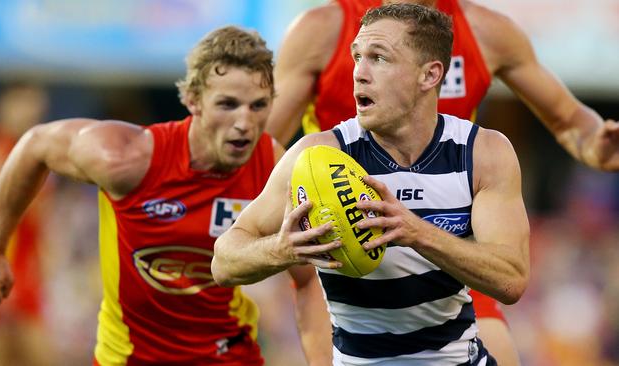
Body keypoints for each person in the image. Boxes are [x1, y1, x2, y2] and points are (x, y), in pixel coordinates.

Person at [266, 0, 619, 363]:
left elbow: (572, 124)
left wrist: (597, 145)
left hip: (447, 250)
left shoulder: (488, 32)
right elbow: (262, 145)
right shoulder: (323, 29)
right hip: (345, 263)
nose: (362, 70)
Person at [0, 26, 331, 365]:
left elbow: (308, 278)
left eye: (258, 106)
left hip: (228, 355)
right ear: (192, 99)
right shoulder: (127, 159)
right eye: (227, 104)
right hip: (128, 358)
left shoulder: (271, 165)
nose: (244, 123)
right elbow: (36, 144)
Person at [213, 4, 529, 365]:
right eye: (356, 57)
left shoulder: (482, 153)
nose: (359, 74)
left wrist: (414, 231)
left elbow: (512, 280)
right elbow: (224, 261)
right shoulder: (319, 156)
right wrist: (284, 249)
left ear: (429, 75)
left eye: (379, 58)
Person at [0, 82, 55, 366]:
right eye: (24, 103)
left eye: (35, 105)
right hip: (6, 272)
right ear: (3, 105)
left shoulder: (31, 155)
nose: (31, 112)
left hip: (27, 273)